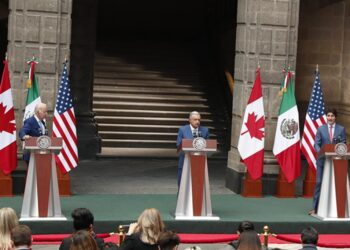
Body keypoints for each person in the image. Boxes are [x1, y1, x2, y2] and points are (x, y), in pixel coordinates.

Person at [309, 108, 346, 215]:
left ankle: (335, 209)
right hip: (322, 161)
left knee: (335, 184)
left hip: (336, 161)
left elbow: (343, 144)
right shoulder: (321, 129)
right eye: (328, 116)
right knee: (319, 182)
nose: (330, 118)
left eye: (332, 116)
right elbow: (316, 143)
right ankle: (315, 208)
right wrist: (320, 152)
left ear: (335, 117)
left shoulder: (341, 129)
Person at [176, 111, 209, 186]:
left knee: (197, 185)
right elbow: (178, 144)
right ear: (190, 120)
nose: (197, 122)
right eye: (195, 119)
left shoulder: (205, 130)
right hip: (185, 160)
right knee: (182, 185)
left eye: (199, 120)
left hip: (199, 162)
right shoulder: (182, 130)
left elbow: (208, 146)